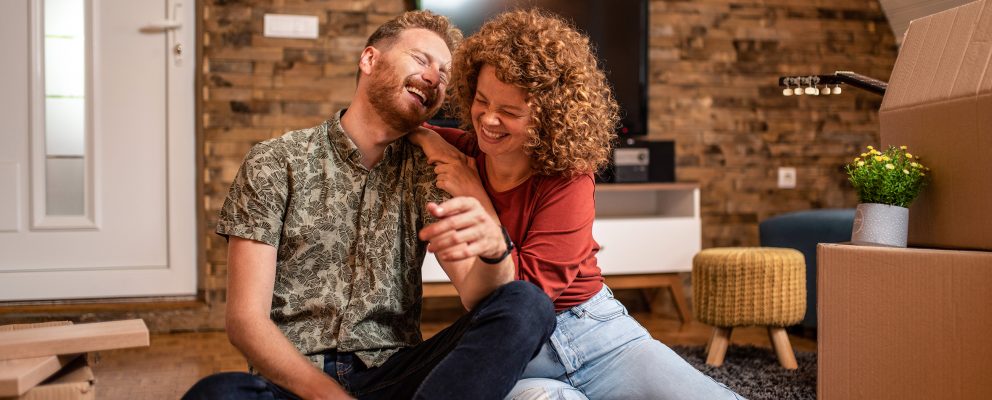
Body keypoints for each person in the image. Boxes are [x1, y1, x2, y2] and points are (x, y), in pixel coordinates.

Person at [182, 10, 556, 400]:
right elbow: (244, 320)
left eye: (444, 75)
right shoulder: (277, 162)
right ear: (370, 59)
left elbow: (476, 296)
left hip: (393, 376)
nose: (433, 77)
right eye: (420, 59)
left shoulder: (430, 172)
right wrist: (329, 395)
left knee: (528, 304)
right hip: (293, 383)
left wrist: (496, 252)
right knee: (216, 393)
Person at [412, 10, 744, 400]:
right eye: (482, 101)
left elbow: (527, 291)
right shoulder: (458, 152)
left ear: (548, 118)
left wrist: (476, 195)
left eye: (510, 112)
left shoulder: (568, 176)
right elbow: (512, 318)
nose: (488, 119)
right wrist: (427, 137)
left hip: (600, 337)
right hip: (521, 358)